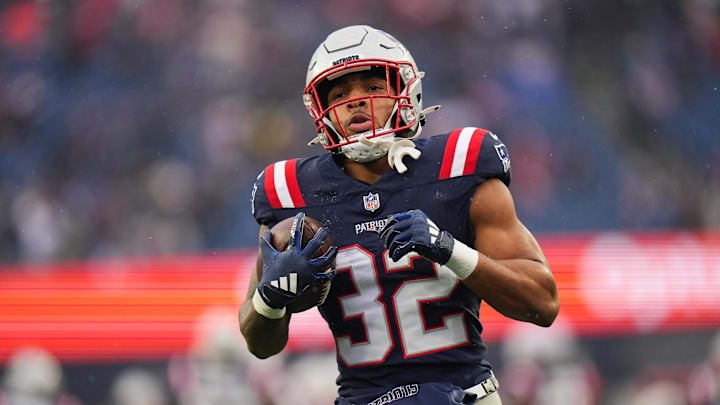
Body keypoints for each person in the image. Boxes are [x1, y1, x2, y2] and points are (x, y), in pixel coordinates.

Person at [239, 25, 559, 405]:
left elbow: (543, 303)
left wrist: (449, 249)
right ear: (320, 111)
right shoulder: (290, 191)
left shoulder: (459, 165)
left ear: (405, 90)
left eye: (372, 87)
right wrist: (270, 299)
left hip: (463, 395)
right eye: (340, 94)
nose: (356, 101)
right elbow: (259, 344)